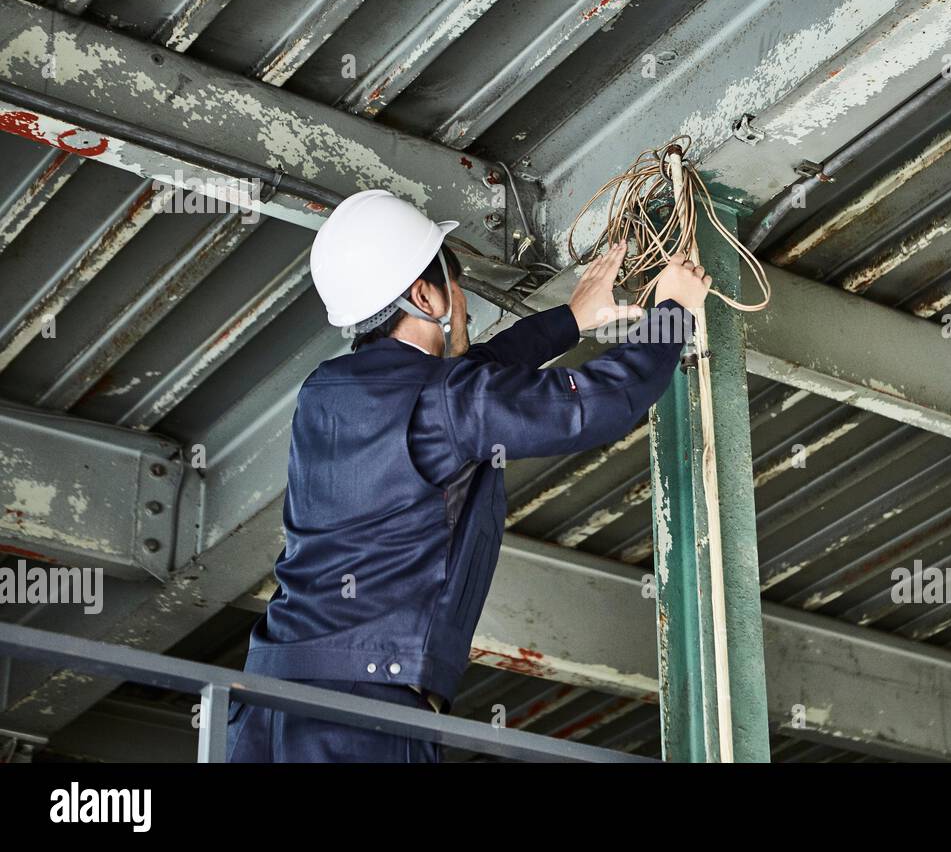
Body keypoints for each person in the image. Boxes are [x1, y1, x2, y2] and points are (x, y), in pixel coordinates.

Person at [227, 188, 710, 761]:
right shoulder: (445, 401)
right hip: (359, 717)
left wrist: (570, 322)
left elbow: (464, 385)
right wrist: (673, 311)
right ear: (424, 293)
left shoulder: (324, 394)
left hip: (261, 706)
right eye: (458, 291)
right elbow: (599, 401)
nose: (465, 309)